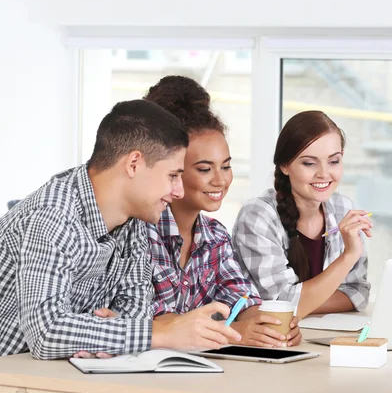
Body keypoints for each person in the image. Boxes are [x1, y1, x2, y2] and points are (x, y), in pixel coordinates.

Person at [0, 99, 241, 359]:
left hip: (48, 378)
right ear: (134, 164)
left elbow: (136, 310)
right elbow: (47, 333)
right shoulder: (52, 217)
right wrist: (161, 335)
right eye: (172, 176)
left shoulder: (135, 220)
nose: (178, 191)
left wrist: (105, 336)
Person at [144, 76, 301, 348]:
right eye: (204, 169)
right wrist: (237, 330)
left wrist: (269, 327)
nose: (220, 180)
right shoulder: (139, 233)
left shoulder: (214, 236)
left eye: (226, 166)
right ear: (172, 168)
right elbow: (160, 322)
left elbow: (243, 301)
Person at [233, 110, 371, 319]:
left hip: (316, 335)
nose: (324, 173)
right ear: (285, 165)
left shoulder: (343, 209)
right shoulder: (257, 216)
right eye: (309, 163)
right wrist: (349, 255)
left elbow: (358, 293)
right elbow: (280, 304)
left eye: (334, 161)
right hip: (271, 340)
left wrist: (301, 303)